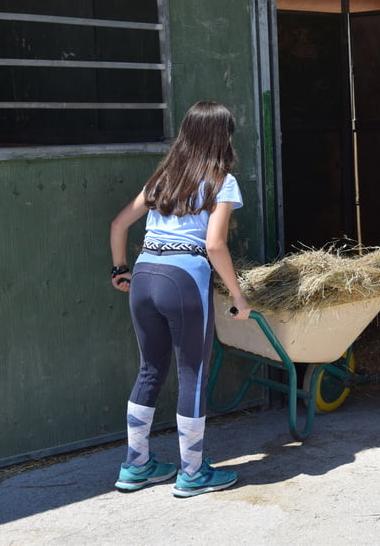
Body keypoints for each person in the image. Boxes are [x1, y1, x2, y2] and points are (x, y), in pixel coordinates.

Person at [109, 100, 251, 497]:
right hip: (183, 280)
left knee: (150, 370)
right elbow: (215, 245)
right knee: (193, 373)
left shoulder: (161, 179)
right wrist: (239, 297)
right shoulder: (222, 181)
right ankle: (192, 472)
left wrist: (120, 270)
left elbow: (119, 224)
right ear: (223, 137)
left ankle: (136, 466)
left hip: (144, 276)